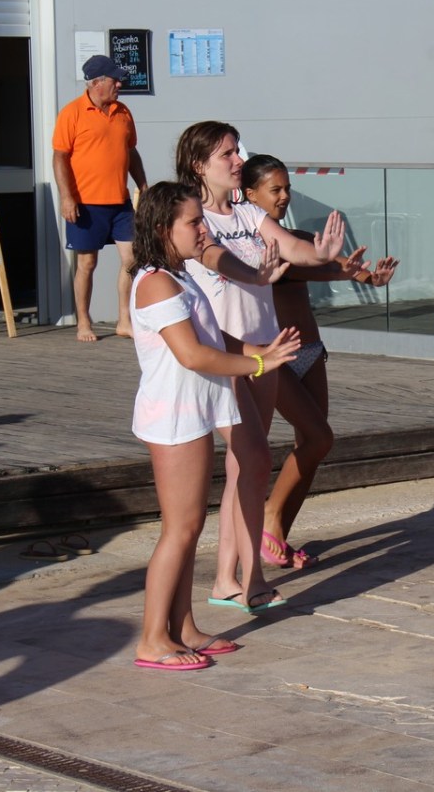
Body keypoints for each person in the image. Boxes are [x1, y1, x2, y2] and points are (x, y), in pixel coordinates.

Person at [175, 121, 353, 608]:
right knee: (251, 460)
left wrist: (320, 253)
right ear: (199, 165)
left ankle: (229, 579)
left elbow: (291, 247)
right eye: (228, 154)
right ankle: (244, 580)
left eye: (237, 151)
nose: (239, 160)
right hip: (227, 353)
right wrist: (255, 274)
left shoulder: (248, 212)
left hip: (264, 352)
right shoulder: (193, 219)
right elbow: (214, 258)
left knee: (246, 467)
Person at [128, 181, 300, 670]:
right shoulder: (155, 282)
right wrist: (259, 366)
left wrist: (260, 351)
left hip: (193, 412)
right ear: (163, 228)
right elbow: (193, 354)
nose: (204, 230)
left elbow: (215, 337)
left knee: (190, 527)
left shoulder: (178, 276)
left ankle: (182, 627)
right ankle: (152, 639)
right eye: (193, 222)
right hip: (173, 418)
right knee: (179, 529)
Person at [241, 154, 398, 567]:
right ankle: (269, 517)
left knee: (311, 447)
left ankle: (277, 535)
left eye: (287, 188)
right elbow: (303, 269)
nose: (284, 196)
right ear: (250, 194)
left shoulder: (294, 236)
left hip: (310, 351)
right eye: (275, 189)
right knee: (319, 437)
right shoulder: (248, 246)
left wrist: (368, 277)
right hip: (274, 356)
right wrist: (343, 273)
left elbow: (330, 261)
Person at [52, 55, 148, 342]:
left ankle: (124, 320)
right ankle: (83, 321)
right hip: (85, 203)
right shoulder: (72, 113)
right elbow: (59, 157)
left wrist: (143, 185)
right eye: (114, 80)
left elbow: (130, 151)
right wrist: (66, 197)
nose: (120, 84)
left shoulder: (123, 111)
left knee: (132, 259)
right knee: (87, 263)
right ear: (97, 83)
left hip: (120, 203)